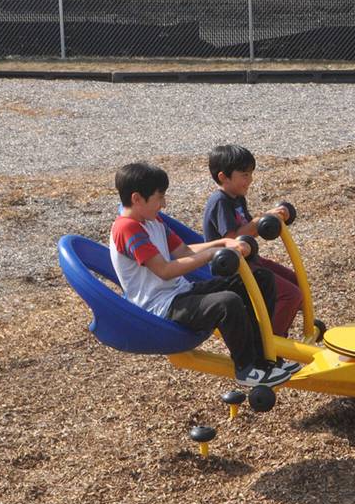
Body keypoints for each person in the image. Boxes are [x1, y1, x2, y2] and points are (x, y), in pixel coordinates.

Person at [109, 162, 297, 387]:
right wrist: (214, 253)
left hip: (180, 292)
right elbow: (165, 270)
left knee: (261, 280)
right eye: (159, 198)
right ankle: (246, 369)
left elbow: (185, 251)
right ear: (137, 198)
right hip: (160, 307)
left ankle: (265, 358)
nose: (164, 204)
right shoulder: (126, 228)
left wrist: (224, 242)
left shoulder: (152, 221)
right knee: (227, 303)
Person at [202, 144, 302, 338]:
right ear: (223, 177)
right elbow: (231, 240)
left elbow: (248, 230)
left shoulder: (237, 198)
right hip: (233, 269)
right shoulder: (219, 202)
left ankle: (278, 329)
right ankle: (271, 344)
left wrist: (267, 220)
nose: (250, 180)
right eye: (245, 175)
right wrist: (261, 220)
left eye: (251, 174)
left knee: (296, 283)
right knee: (291, 294)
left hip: (248, 260)